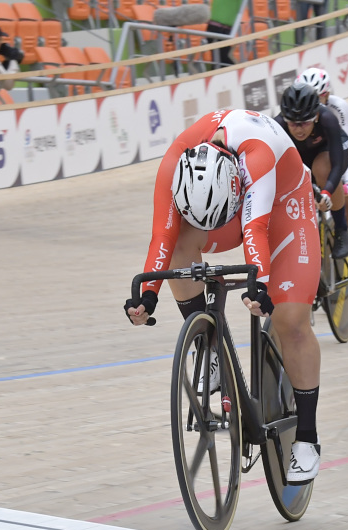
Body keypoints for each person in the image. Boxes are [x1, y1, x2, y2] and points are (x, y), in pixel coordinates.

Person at [124, 109, 324, 483]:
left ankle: (307, 440)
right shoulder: (176, 161)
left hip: (284, 205)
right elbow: (162, 238)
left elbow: (256, 228)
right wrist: (147, 295)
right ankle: (210, 348)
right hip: (226, 207)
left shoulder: (257, 153)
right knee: (183, 243)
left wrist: (259, 285)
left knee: (290, 321)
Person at [297, 67, 348, 289]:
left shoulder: (338, 107)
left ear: (327, 95)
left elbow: (343, 150)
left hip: (346, 150)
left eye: (319, 97)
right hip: (314, 155)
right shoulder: (298, 112)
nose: (314, 101)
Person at [274, 79, 348, 260]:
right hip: (301, 157)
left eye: (305, 123)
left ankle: (341, 229)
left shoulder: (327, 119)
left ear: (315, 116)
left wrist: (327, 192)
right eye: (293, 124)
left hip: (330, 152)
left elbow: (337, 165)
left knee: (323, 168)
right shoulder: (277, 126)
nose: (299, 130)